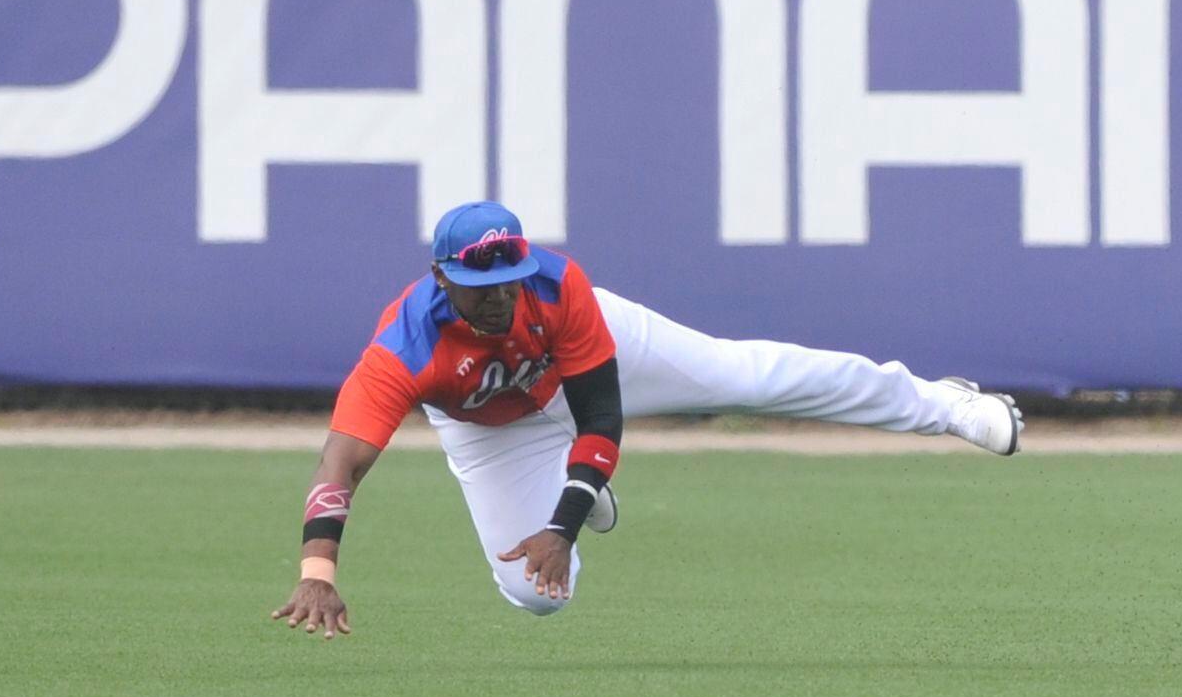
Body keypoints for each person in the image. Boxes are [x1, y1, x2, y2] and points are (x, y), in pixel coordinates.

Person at [270, 202, 1025, 635]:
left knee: (746, 376)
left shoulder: (559, 288)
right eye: (479, 284)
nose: (499, 296)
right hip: (490, 427)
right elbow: (341, 464)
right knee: (536, 595)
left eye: (509, 278)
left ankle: (945, 405)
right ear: (442, 278)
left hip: (586, 368)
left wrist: (560, 525)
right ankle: (584, 490)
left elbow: (602, 413)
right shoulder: (406, 347)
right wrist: (318, 572)